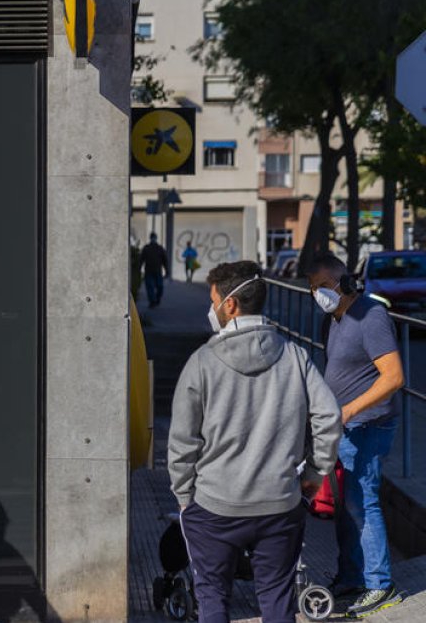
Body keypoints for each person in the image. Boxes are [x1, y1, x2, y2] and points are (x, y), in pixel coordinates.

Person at [169, 260, 341, 623]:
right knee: (277, 599)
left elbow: (182, 442)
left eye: (213, 299)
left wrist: (185, 498)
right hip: (279, 504)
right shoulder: (295, 355)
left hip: (214, 506)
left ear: (230, 304)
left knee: (212, 596)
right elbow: (328, 417)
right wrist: (314, 473)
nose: (211, 308)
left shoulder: (201, 363)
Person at [307, 254, 405, 617]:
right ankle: (352, 575)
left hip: (370, 425)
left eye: (322, 286)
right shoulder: (332, 319)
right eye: (313, 288)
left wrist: (349, 409)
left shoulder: (370, 316)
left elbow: (394, 377)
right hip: (343, 427)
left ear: (344, 283)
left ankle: (381, 585)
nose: (317, 293)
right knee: (346, 507)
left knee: (363, 501)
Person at [140, 232, 169, 307]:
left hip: (158, 271)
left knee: (160, 287)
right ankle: (152, 301)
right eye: (152, 237)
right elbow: (141, 259)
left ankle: (157, 298)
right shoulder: (146, 248)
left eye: (154, 237)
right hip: (149, 271)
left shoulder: (160, 248)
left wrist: (167, 270)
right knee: (150, 287)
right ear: (150, 238)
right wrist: (139, 269)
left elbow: (164, 260)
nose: (153, 239)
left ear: (156, 238)